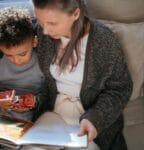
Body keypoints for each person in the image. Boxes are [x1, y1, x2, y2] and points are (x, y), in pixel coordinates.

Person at [29, 0, 133, 150]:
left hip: (89, 114)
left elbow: (121, 88)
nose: (44, 31)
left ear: (76, 14)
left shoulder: (104, 41)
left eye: (52, 23)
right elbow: (11, 40)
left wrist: (96, 119)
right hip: (53, 111)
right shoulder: (41, 31)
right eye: (40, 21)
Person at [0, 7, 49, 123]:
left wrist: (36, 101)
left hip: (31, 116)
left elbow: (50, 93)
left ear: (35, 42)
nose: (16, 60)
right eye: (9, 55)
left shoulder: (43, 62)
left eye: (22, 54)